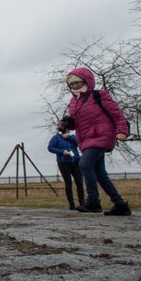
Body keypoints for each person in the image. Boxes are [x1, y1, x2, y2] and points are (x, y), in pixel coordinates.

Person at [61, 67, 132, 216]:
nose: (74, 86)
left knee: (84, 164)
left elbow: (117, 114)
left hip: (101, 136)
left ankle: (93, 201)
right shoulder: (74, 102)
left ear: (87, 81)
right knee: (100, 174)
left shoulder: (99, 95)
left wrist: (122, 131)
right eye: (71, 84)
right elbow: (78, 122)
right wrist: (69, 124)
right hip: (85, 139)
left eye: (77, 82)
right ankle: (120, 205)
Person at [47, 124, 83, 210]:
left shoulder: (73, 137)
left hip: (75, 161)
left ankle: (82, 203)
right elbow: (50, 148)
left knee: (79, 182)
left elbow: (79, 143)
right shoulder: (56, 138)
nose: (69, 130)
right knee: (68, 183)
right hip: (63, 162)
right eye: (68, 129)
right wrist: (62, 152)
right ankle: (72, 205)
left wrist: (69, 137)